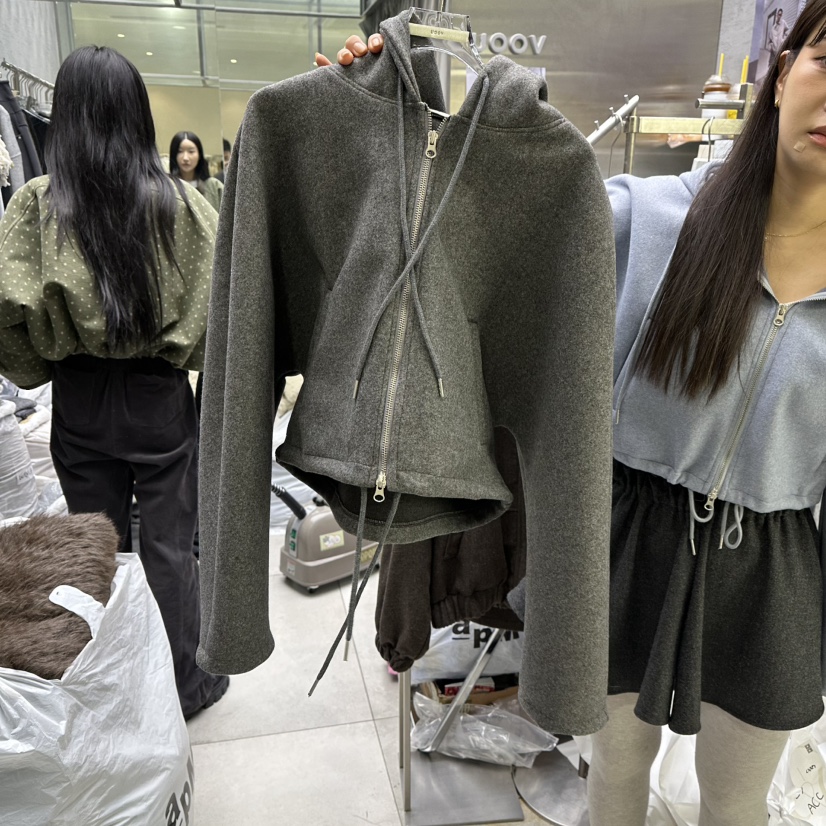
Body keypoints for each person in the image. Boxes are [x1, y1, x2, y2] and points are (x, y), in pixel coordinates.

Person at [320, 4, 826, 823]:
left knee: (739, 807)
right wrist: (373, 134)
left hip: (773, 568)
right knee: (614, 778)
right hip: (629, 540)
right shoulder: (640, 220)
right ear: (783, 71)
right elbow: (462, 249)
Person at [0, 46, 229, 720]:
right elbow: (223, 305)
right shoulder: (182, 204)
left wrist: (40, 366)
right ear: (138, 114)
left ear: (66, 114)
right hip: (158, 395)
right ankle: (184, 689)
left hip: (78, 393)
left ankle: (114, 693)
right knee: (170, 549)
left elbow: (6, 309)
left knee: (96, 552)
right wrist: (187, 361)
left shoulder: (37, 206)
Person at [169, 130, 223, 212]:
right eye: (180, 151)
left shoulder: (214, 186)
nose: (185, 158)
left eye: (191, 151)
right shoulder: (168, 186)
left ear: (199, 155)